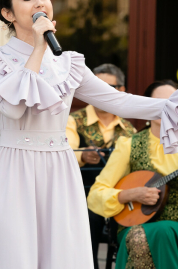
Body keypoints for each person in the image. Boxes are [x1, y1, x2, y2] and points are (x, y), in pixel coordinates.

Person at [0, 0, 178, 269]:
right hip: (15, 166)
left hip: (58, 166)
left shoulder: (68, 62)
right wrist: (38, 47)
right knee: (14, 251)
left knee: (60, 252)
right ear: (7, 14)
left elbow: (118, 101)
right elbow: (12, 107)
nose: (39, 2)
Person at [87, 79, 178, 269]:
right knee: (143, 235)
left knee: (155, 234)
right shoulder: (128, 145)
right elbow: (96, 195)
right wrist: (130, 194)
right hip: (134, 224)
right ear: (147, 107)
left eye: (171, 102)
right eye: (158, 102)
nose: (164, 107)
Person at [66, 63, 136, 269]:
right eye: (94, 86)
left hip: (119, 199)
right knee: (88, 220)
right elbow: (64, 154)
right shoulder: (72, 120)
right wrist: (83, 157)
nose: (99, 93)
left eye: (108, 87)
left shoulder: (128, 128)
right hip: (81, 196)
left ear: (121, 91)